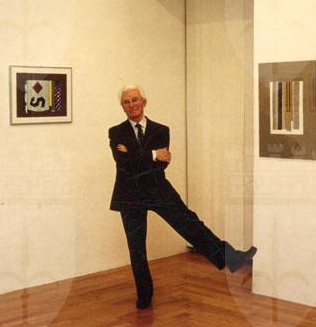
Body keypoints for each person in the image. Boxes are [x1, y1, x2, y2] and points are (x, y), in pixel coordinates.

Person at [108, 84, 257, 309]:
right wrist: (152, 154)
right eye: (126, 102)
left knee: (190, 224)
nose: (131, 105)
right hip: (129, 195)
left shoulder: (161, 130)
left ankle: (231, 258)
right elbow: (123, 163)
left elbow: (159, 165)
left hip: (157, 188)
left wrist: (137, 156)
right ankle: (144, 295)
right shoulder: (116, 132)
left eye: (135, 100)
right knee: (136, 247)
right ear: (122, 107)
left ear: (144, 102)